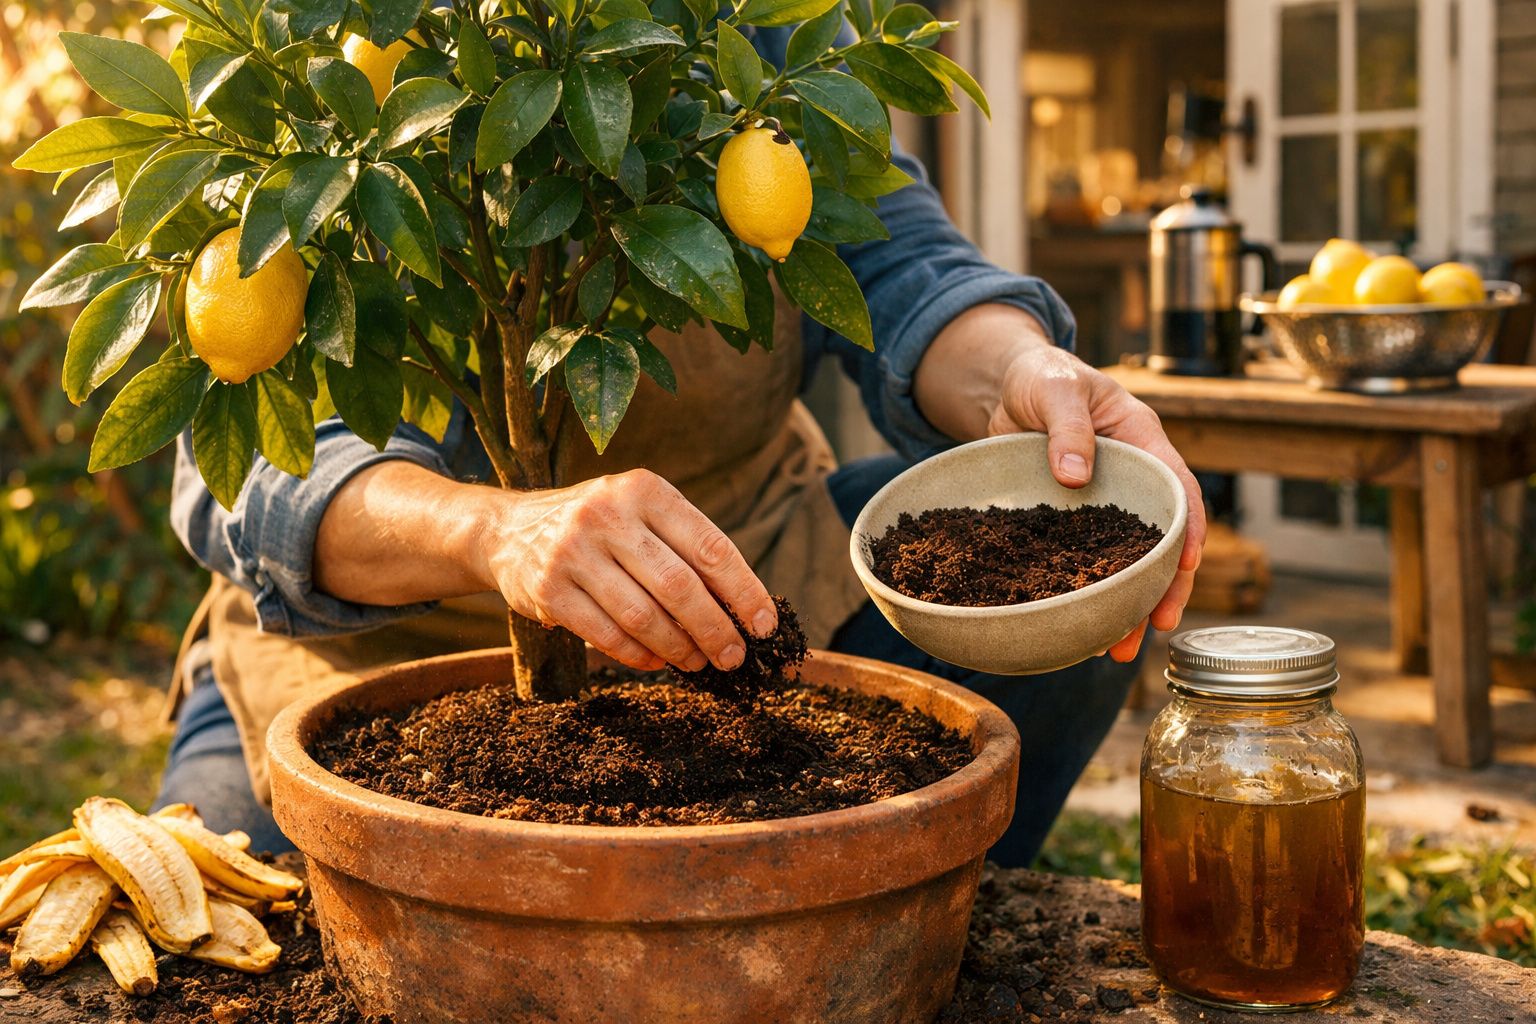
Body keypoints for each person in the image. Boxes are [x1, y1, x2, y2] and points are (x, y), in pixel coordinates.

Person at [154, 25, 1206, 866]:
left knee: (1046, 622)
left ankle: (936, 912)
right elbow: (243, 472)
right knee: (233, 923)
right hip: (370, 646)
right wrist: (495, 530)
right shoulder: (329, 48)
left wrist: (1025, 372)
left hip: (738, 590)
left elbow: (903, 266)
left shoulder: (757, 31)